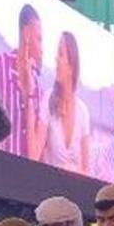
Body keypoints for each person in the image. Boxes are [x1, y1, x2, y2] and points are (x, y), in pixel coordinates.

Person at [0, 5, 43, 159]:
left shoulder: (38, 88)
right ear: (27, 33)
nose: (41, 47)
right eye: (39, 39)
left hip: (26, 177)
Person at [34, 32, 91, 176]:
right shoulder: (48, 100)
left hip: (75, 192)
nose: (56, 59)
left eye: (60, 54)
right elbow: (34, 155)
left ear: (72, 65)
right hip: (49, 189)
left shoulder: (83, 112)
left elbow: (87, 170)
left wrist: (72, 171)